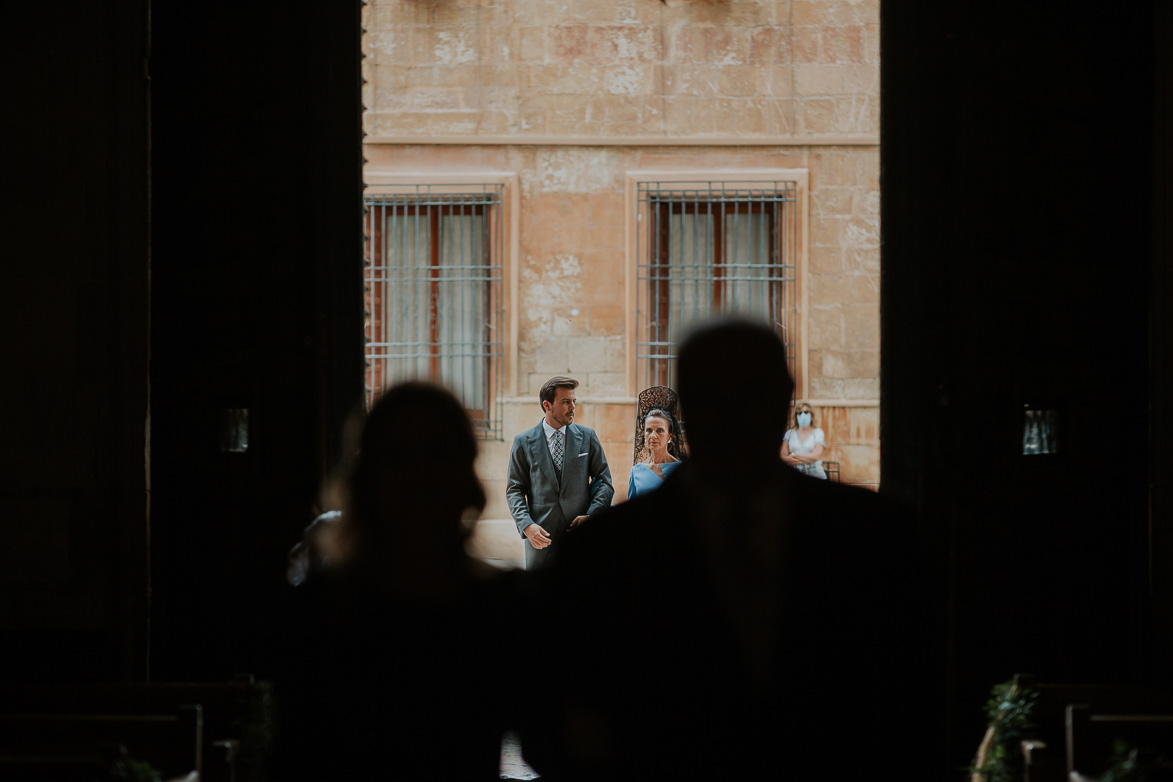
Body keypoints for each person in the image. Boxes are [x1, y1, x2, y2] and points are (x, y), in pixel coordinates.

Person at [524, 319, 930, 781]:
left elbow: (916, 706)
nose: (736, 415)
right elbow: (555, 723)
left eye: (750, 394)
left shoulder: (875, 539)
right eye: (718, 396)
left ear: (784, 399)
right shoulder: (603, 554)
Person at [272, 382, 518, 782]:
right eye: (399, 457)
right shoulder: (316, 611)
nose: (418, 478)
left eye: (435, 454)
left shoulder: (504, 607)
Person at [506, 375, 613, 569]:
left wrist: (592, 515)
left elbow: (604, 482)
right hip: (540, 541)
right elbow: (514, 489)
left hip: (581, 538)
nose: (572, 407)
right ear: (547, 405)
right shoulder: (523, 442)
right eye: (565, 402)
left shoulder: (587, 437)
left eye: (574, 401)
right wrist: (526, 525)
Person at [628, 406, 685, 499]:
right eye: (649, 430)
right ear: (644, 435)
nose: (653, 435)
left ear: (669, 436)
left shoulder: (681, 470)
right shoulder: (636, 471)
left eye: (660, 430)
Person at [781, 400, 828, 479]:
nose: (803, 415)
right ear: (796, 416)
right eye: (799, 413)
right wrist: (808, 459)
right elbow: (783, 457)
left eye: (806, 412)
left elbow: (816, 456)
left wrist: (793, 455)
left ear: (811, 415)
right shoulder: (789, 434)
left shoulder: (817, 432)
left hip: (815, 473)